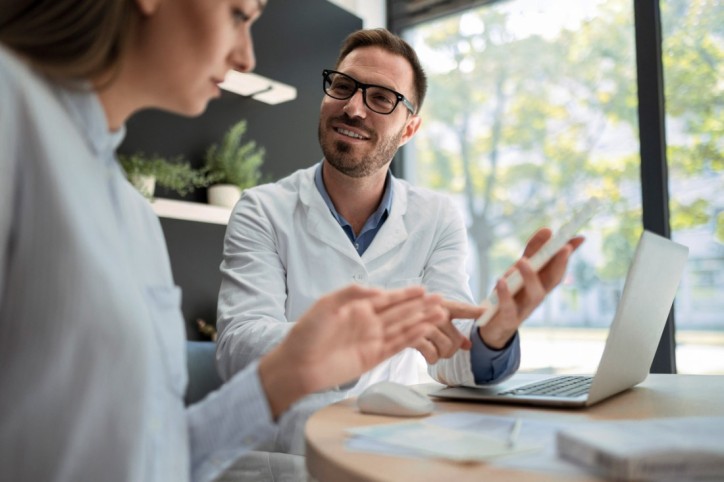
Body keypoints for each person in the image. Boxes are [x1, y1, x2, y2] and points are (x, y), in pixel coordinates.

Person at [0, 2, 453, 482]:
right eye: (240, 15)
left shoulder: (132, 214)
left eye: (381, 98)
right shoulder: (13, 112)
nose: (246, 58)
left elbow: (155, 456)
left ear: (409, 127)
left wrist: (285, 376)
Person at [216, 28, 583, 461]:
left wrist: (492, 335)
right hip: (292, 456)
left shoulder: (437, 216)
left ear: (409, 128)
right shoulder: (262, 209)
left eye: (381, 98)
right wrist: (351, 332)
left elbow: (447, 351)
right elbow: (236, 350)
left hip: (400, 451)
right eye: (343, 86)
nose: (353, 108)